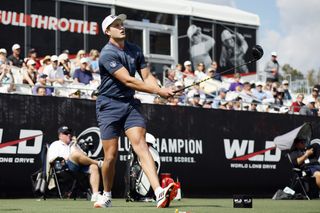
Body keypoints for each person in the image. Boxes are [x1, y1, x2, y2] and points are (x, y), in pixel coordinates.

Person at [95, 14, 176, 208]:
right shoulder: (107, 53)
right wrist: (158, 91)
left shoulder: (135, 50)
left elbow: (146, 76)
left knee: (141, 145)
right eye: (116, 25)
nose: (121, 27)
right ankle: (106, 195)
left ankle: (158, 193)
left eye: (122, 24)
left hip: (130, 104)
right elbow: (128, 80)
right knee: (110, 156)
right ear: (108, 32)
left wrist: (160, 91)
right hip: (108, 106)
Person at [47, 126, 103, 202]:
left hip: (79, 167)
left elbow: (84, 157)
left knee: (93, 167)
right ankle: (98, 163)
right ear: (60, 136)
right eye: (66, 133)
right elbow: (51, 159)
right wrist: (66, 158)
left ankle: (95, 194)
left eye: (69, 133)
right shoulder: (55, 144)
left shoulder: (74, 144)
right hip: (64, 167)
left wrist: (74, 145)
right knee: (75, 155)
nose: (69, 135)